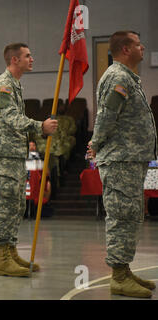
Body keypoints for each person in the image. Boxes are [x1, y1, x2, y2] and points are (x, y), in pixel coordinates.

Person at [87, 31, 157, 298]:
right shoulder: (117, 77)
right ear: (126, 49)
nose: (143, 47)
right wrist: (95, 144)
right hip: (119, 159)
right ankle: (118, 276)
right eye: (139, 44)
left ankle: (124, 270)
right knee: (121, 216)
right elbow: (106, 116)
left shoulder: (128, 78)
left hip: (130, 158)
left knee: (130, 216)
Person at [0, 43, 57, 277]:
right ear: (15, 60)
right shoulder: (4, 84)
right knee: (7, 204)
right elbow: (11, 118)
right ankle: (2, 259)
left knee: (16, 204)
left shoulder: (15, 84)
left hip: (14, 152)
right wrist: (40, 126)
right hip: (4, 152)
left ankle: (11, 250)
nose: (32, 59)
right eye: (28, 56)